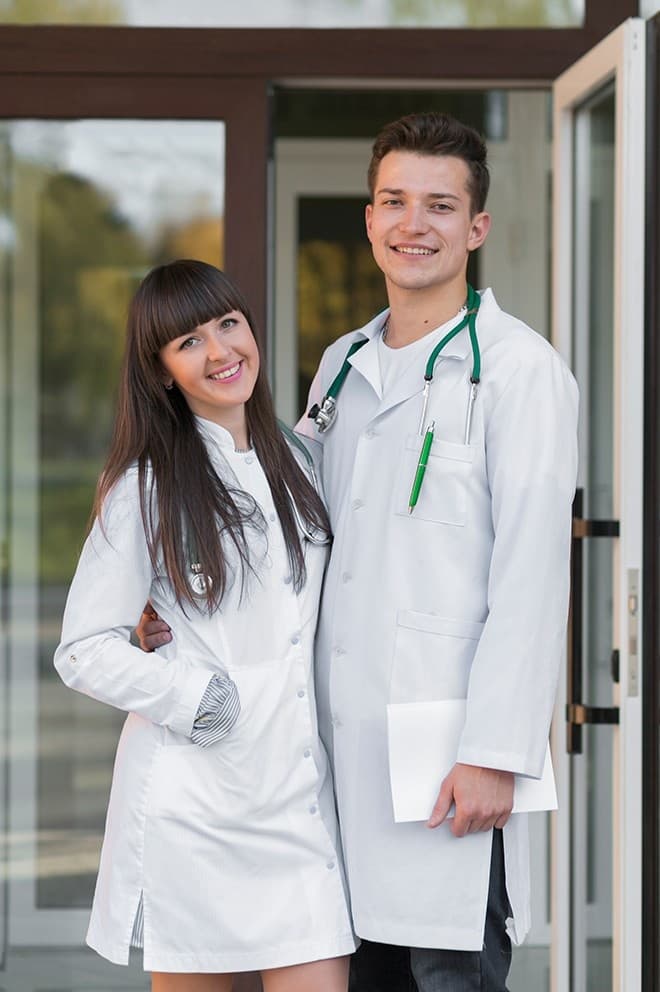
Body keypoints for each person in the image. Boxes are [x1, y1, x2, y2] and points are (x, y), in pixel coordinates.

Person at [141, 112, 579, 992]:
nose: (415, 224)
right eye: (395, 201)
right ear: (370, 218)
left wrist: (497, 750)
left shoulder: (519, 372)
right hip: (327, 762)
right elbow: (272, 521)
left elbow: (532, 577)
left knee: (443, 965)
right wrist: (177, 605)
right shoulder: (341, 364)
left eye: (441, 206)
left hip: (447, 761)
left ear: (476, 228)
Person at [54, 260, 356, 992]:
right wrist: (196, 697)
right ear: (160, 371)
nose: (220, 352)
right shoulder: (147, 485)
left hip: (298, 801)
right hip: (198, 807)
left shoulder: (301, 461)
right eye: (189, 342)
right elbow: (82, 649)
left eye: (228, 324)